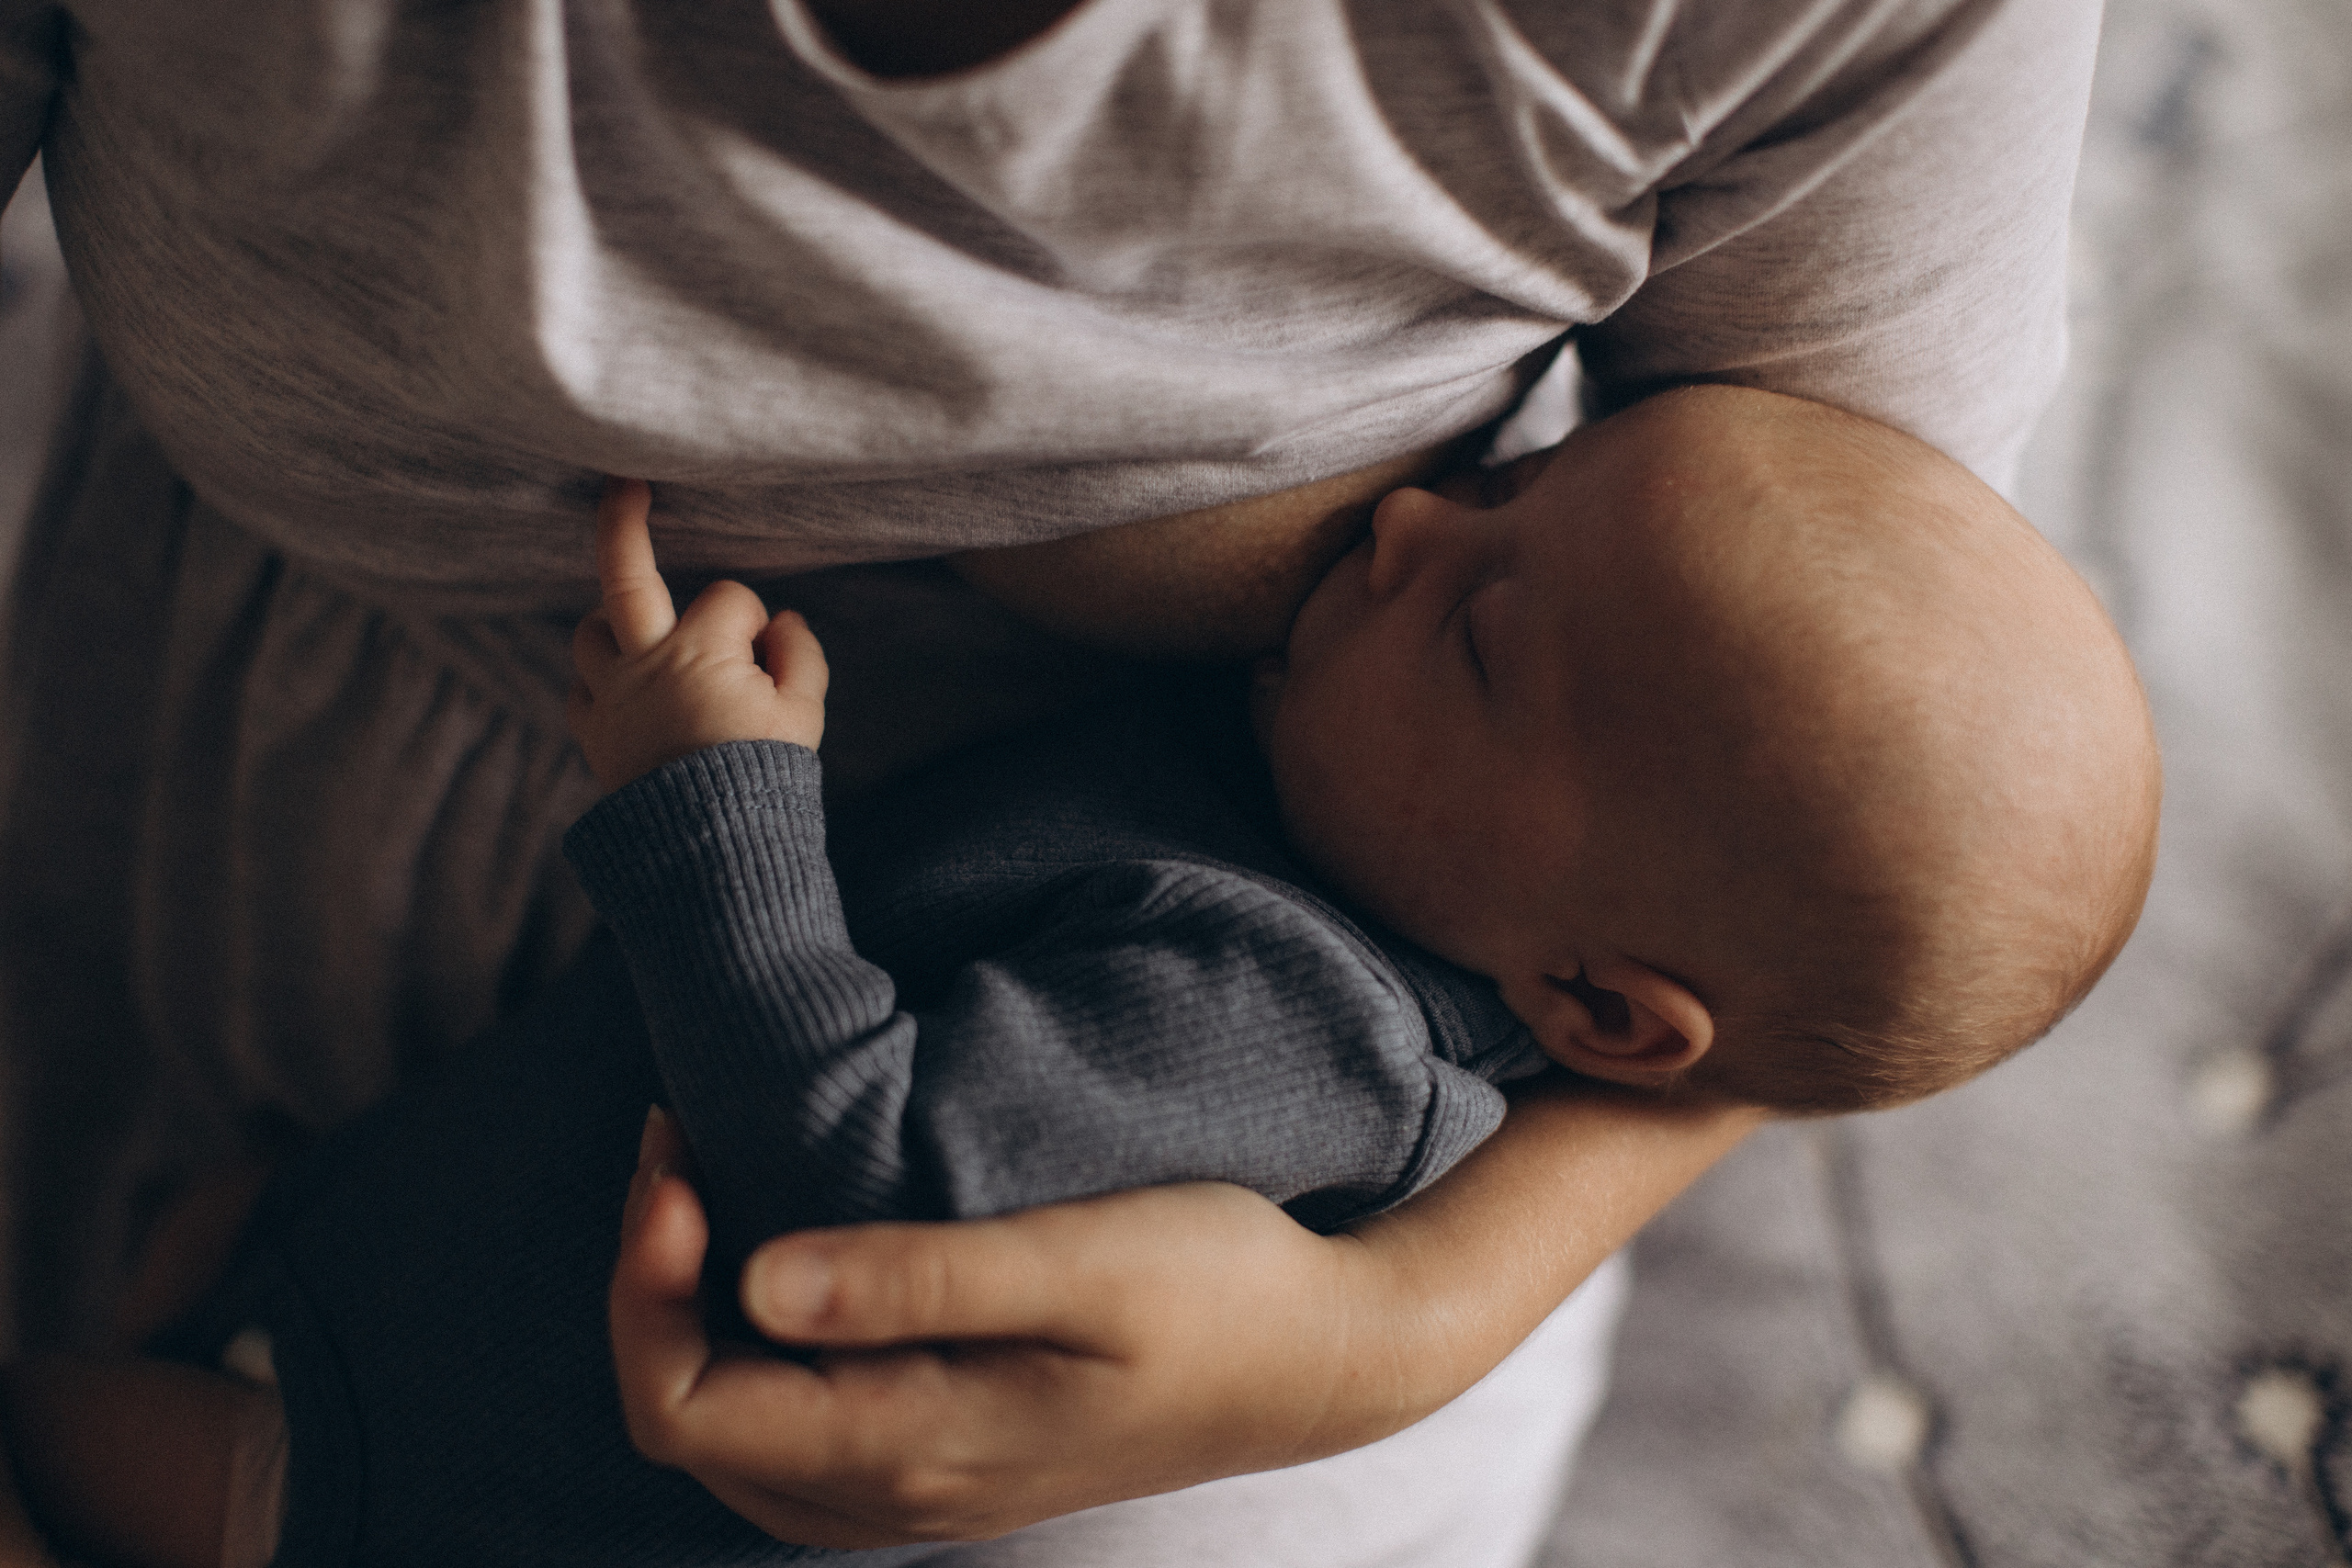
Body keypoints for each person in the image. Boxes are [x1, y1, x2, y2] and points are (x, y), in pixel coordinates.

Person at [0, 0, 2109, 1557]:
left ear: (1595, 1005)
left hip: (869, 1419)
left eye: (1478, 624)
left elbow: (1850, 874)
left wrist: (1399, 1321)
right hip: (333, 928)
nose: (1407, 520)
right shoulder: (1441, 828)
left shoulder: (1263, 1028)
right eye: (1505, 488)